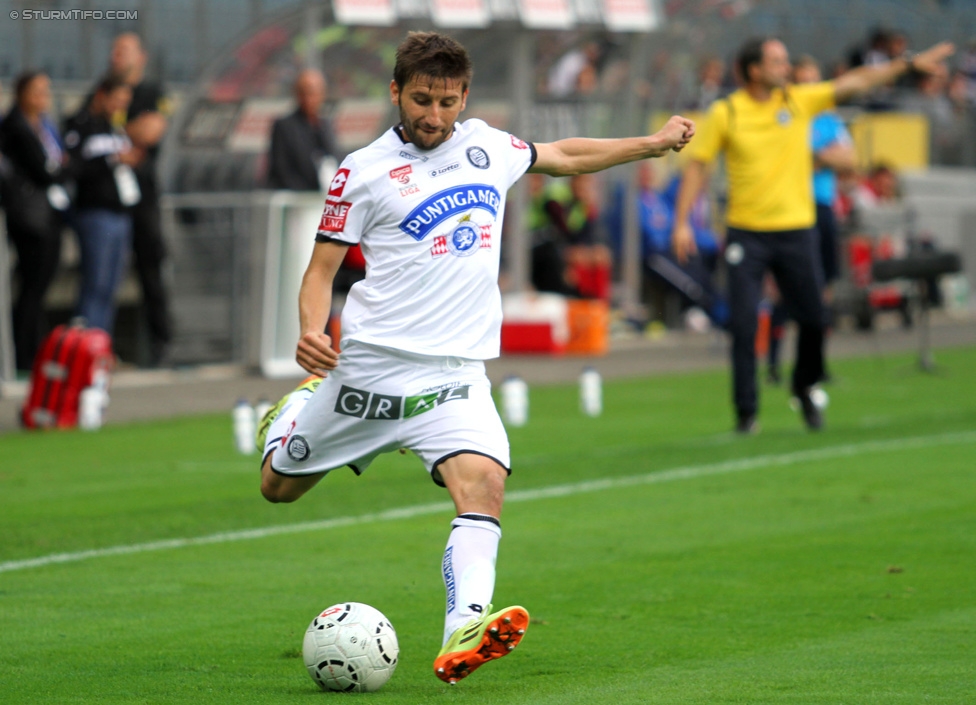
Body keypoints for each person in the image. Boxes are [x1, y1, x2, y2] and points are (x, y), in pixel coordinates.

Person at [256, 32, 694, 686]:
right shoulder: (362, 170)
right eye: (422, 99)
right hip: (374, 368)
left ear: (465, 97)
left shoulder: (488, 145)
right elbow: (321, 270)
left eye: (447, 101)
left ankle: (465, 624)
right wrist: (309, 329)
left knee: (485, 485)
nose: (434, 116)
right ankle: (292, 414)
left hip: (458, 374)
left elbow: (565, 156)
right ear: (396, 92)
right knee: (278, 487)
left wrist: (652, 142)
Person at [671, 36, 953, 434]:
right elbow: (698, 167)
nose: (785, 68)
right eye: (776, 61)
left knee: (816, 318)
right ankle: (746, 413)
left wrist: (905, 65)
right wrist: (682, 221)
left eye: (786, 61)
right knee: (745, 324)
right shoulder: (726, 113)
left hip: (795, 231)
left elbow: (855, 83)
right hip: (746, 234)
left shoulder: (799, 102)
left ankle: (804, 386)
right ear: (754, 70)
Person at [766, 56, 856, 385]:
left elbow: (851, 159)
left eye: (814, 81)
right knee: (784, 290)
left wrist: (815, 157)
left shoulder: (828, 118)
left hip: (822, 207)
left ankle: (816, 365)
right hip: (791, 209)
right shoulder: (784, 116)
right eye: (802, 80)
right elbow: (784, 157)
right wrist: (824, 156)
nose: (809, 87)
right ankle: (774, 363)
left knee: (824, 291)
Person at [109, 33, 173, 367]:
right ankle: (102, 348)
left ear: (140, 56)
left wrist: (115, 132)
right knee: (105, 275)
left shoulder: (152, 91)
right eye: (114, 51)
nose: (115, 57)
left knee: (151, 272)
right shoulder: (103, 90)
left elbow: (152, 131)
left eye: (123, 51)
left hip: (143, 200)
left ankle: (160, 347)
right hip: (107, 203)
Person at [0, 71, 69, 371]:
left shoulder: (45, 125)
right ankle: (23, 356)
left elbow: (57, 163)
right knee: (30, 286)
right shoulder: (14, 126)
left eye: (46, 90)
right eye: (38, 91)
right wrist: (66, 167)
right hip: (28, 217)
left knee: (39, 287)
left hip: (48, 214)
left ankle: (33, 352)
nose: (44, 97)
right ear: (22, 93)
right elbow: (45, 170)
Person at [63, 75, 139, 336]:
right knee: (95, 282)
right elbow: (73, 168)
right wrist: (111, 160)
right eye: (117, 99)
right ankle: (83, 345)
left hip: (120, 214)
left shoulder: (114, 127)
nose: (121, 106)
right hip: (95, 213)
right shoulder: (81, 124)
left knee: (110, 285)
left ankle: (99, 346)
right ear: (101, 96)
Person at [267, 68, 340, 191]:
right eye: (304, 92)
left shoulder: (325, 125)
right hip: (296, 199)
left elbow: (333, 157)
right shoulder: (285, 127)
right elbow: (282, 169)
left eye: (313, 92)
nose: (309, 98)